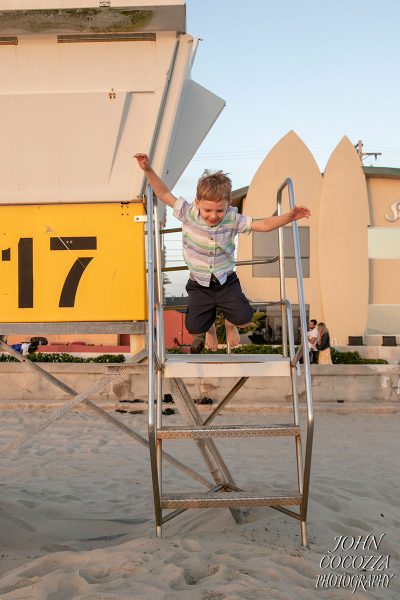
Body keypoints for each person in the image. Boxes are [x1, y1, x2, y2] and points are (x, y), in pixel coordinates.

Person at [134, 154, 311, 349]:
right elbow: (164, 193)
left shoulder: (233, 219)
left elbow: (264, 224)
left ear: (228, 204)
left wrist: (290, 216)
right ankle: (210, 330)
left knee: (245, 319)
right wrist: (148, 169)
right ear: (198, 202)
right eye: (208, 210)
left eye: (219, 210)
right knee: (194, 327)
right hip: (199, 283)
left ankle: (230, 324)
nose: (213, 216)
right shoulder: (188, 212)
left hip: (226, 281)